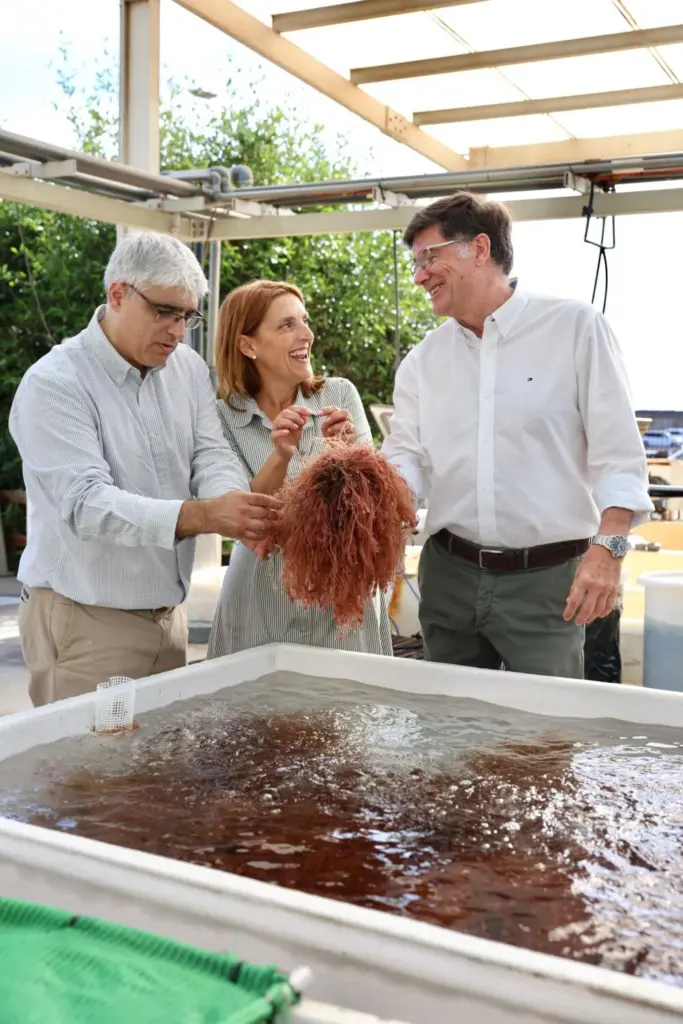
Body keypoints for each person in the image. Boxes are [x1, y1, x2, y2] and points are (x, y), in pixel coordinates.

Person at [382, 191, 652, 679]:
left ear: (479, 249)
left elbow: (619, 457)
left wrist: (609, 553)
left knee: (546, 742)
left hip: (550, 583)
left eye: (429, 257)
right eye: (416, 262)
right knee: (449, 738)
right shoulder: (423, 360)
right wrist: (377, 514)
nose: (419, 275)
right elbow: (405, 460)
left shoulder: (576, 328)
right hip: (449, 575)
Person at [10, 232, 282, 706]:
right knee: (90, 776)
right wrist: (203, 516)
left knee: (155, 777)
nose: (178, 331)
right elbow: (86, 504)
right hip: (86, 623)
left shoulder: (188, 370)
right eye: (164, 312)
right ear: (118, 294)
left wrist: (232, 503)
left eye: (187, 316)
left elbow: (210, 454)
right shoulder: (55, 384)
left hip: (167, 619)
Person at [207, 279, 393, 658]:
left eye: (303, 321)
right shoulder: (221, 417)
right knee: (258, 716)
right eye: (287, 325)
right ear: (247, 345)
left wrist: (346, 455)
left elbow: (372, 509)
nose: (306, 334)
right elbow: (245, 522)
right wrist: (281, 455)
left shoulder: (339, 394)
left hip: (343, 601)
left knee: (346, 711)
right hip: (261, 600)